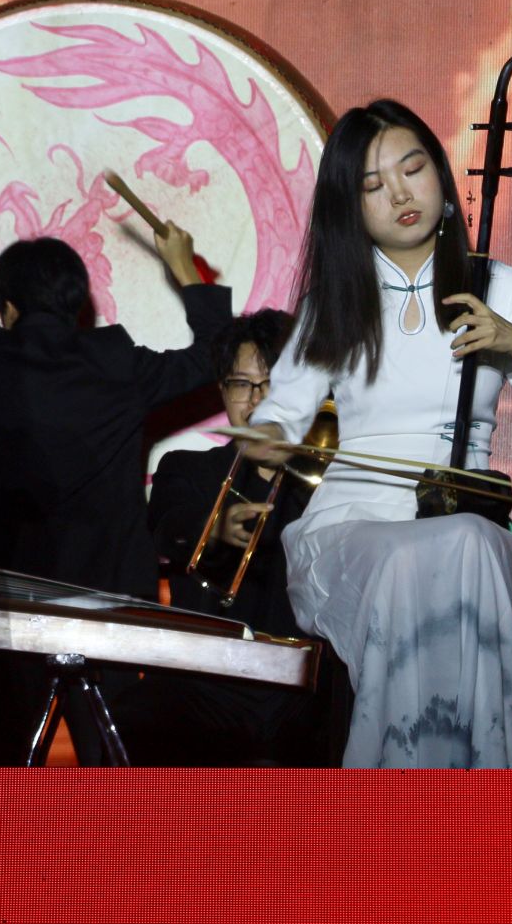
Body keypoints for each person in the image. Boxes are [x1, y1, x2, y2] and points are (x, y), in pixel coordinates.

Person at [243, 98, 512, 768]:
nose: (400, 194)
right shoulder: (335, 301)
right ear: (350, 209)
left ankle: (482, 796)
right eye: (372, 185)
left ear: (440, 175)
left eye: (412, 169)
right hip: (356, 523)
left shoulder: (499, 286)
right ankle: (401, 792)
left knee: (466, 541)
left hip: (462, 517)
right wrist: (264, 437)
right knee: (422, 555)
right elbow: (282, 415)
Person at [0, 229, 229, 764]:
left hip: (4, 608)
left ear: (8, 308)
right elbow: (215, 354)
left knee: (1, 772)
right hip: (108, 605)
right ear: (76, 305)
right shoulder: (116, 363)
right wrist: (184, 266)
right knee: (111, 767)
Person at [140, 307, 326, 766]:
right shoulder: (184, 468)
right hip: (206, 689)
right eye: (242, 384)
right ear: (223, 390)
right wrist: (216, 530)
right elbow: (170, 530)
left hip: (304, 693)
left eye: (273, 384)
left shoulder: (328, 483)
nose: (258, 400)